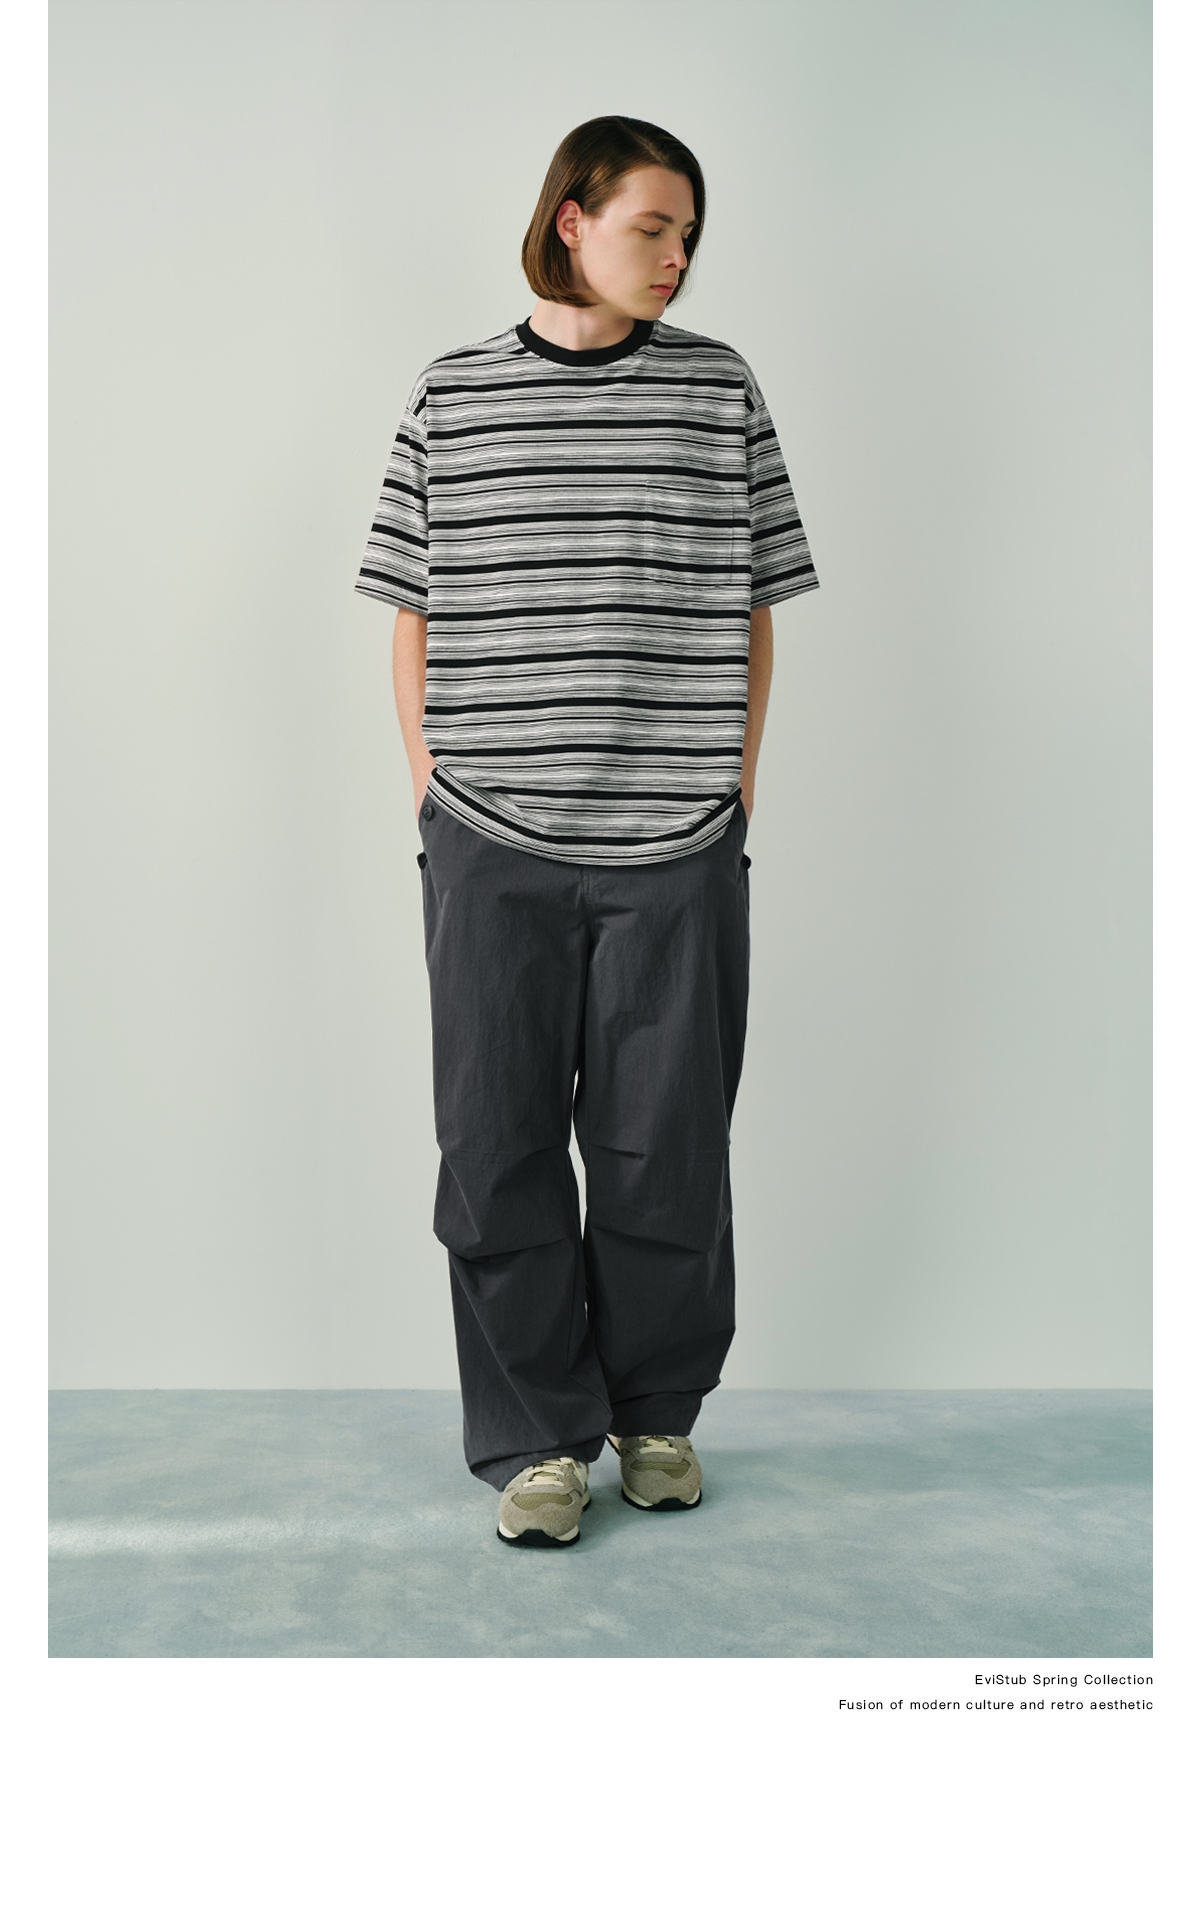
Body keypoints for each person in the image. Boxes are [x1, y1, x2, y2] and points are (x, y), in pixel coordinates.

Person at [355, 115, 818, 1547]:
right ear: (573, 218)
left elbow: (757, 599)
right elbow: (411, 604)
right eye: (651, 227)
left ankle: (656, 1415)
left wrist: (734, 782)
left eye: (690, 236)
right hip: (490, 835)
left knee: (663, 1150)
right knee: (493, 1148)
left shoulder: (718, 390)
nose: (677, 257)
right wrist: (433, 780)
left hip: (676, 840)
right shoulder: (454, 393)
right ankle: (537, 1445)